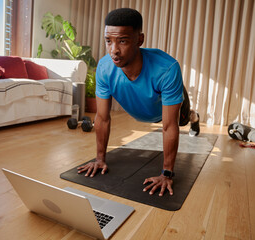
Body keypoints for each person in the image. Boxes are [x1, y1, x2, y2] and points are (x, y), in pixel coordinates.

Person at [77, 8, 200, 197]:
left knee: (182, 120)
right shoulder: (104, 67)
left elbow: (168, 126)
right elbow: (102, 118)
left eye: (123, 41)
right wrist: (100, 159)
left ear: (139, 40)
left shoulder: (167, 69)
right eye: (108, 41)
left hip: (166, 108)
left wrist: (166, 173)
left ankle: (194, 117)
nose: (114, 50)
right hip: (142, 108)